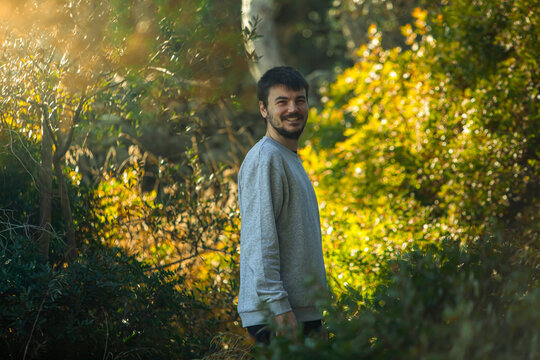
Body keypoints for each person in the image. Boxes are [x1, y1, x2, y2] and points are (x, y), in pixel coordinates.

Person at [237, 66, 327, 344]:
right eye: (282, 102)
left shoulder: (287, 157)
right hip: (277, 317)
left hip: (297, 312)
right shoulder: (267, 159)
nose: (293, 109)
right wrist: (278, 308)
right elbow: (260, 240)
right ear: (264, 109)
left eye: (300, 100)